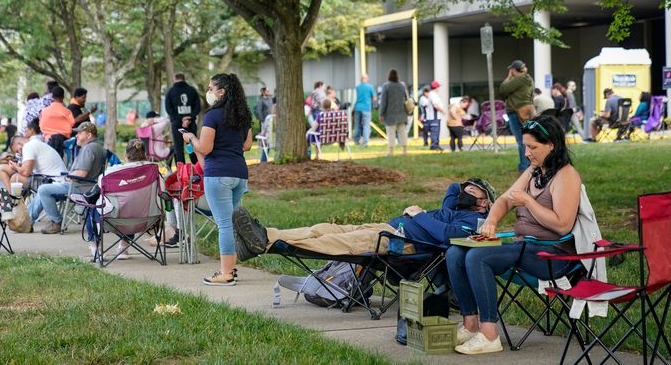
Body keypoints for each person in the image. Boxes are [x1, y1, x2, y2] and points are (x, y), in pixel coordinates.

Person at [446, 115, 589, 355]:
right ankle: (471, 325)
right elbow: (504, 199)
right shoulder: (535, 171)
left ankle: (490, 335)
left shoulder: (566, 176)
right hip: (525, 248)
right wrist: (491, 220)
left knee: (477, 257)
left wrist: (529, 202)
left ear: (552, 145)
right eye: (525, 146)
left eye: (533, 147)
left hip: (552, 257)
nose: (527, 153)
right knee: (455, 253)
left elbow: (563, 226)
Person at [233, 179, 496, 259]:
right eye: (466, 190)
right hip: (388, 228)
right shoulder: (455, 206)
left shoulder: (474, 222)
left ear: (483, 202)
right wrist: (468, 190)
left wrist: (420, 215)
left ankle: (265, 243)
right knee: (324, 228)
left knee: (337, 241)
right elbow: (453, 187)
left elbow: (447, 236)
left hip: (400, 242)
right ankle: (264, 236)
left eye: (473, 192)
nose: (464, 193)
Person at [182, 73, 252, 286]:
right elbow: (247, 146)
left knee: (224, 225)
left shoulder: (212, 116)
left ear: (222, 92)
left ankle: (226, 273)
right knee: (230, 223)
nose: (209, 92)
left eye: (211, 88)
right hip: (239, 174)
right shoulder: (244, 116)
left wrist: (191, 138)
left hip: (218, 175)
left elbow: (205, 148)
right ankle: (231, 267)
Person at [29, 122, 106, 233]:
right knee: (46, 188)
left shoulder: (88, 149)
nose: (76, 136)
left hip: (81, 188)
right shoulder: (99, 147)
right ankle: (28, 220)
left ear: (89, 135)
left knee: (43, 189)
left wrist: (68, 177)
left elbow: (82, 173)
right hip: (91, 187)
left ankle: (56, 222)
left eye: (80, 133)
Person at [83, 139, 151, 261]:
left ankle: (96, 249)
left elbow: (99, 185)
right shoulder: (153, 171)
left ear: (125, 155)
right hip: (147, 219)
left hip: (115, 218)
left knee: (91, 208)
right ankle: (123, 248)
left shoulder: (112, 172)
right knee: (134, 206)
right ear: (144, 154)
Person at [0, 126, 67, 192]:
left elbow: (25, 173)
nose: (19, 153)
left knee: (15, 178)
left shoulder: (29, 146)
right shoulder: (33, 143)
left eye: (18, 150)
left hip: (52, 181)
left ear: (19, 143)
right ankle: (12, 199)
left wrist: (15, 166)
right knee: (2, 168)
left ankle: (14, 202)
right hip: (49, 178)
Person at [499, 60, 534, 172]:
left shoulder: (519, 79)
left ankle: (524, 166)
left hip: (515, 112)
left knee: (521, 140)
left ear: (514, 70)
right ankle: (532, 164)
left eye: (511, 70)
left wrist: (509, 77)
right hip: (528, 111)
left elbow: (503, 89)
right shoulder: (529, 79)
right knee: (529, 138)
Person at [165, 73, 202, 164]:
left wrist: (180, 119)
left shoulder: (170, 92)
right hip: (191, 123)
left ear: (174, 79)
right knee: (192, 146)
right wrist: (189, 117)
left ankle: (181, 172)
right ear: (184, 78)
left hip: (177, 124)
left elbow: (168, 109)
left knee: (179, 148)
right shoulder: (192, 90)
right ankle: (196, 167)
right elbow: (198, 106)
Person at [380, 69, 409, 156]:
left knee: (391, 133)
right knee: (402, 132)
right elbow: (406, 98)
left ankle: (391, 151)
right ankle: (404, 151)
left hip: (390, 114)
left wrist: (381, 114)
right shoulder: (402, 85)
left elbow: (383, 102)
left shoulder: (386, 86)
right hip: (402, 113)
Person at [353, 74, 377, 147]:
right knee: (366, 126)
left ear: (361, 79)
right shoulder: (370, 87)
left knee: (357, 125)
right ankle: (365, 143)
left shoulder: (358, 87)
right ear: (367, 79)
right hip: (366, 108)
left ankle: (357, 142)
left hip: (357, 108)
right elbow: (374, 98)